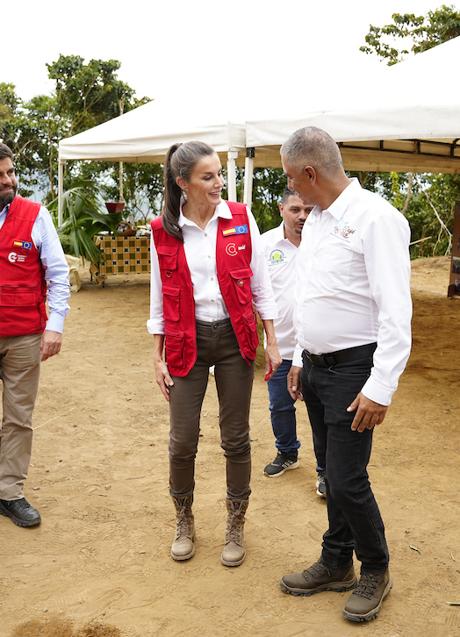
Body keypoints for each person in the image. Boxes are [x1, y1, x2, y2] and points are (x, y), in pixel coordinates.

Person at [279, 127, 412, 623]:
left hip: (355, 372)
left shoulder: (375, 219)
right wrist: (297, 358)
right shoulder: (317, 220)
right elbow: (310, 294)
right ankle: (336, 561)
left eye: (293, 179)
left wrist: (380, 387)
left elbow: (396, 311)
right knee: (329, 472)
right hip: (315, 369)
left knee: (346, 477)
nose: (292, 189)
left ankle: (375, 566)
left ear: (310, 173)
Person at [148, 141, 281, 567]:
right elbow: (158, 297)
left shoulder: (240, 219)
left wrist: (272, 339)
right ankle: (183, 518)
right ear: (182, 182)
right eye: (208, 177)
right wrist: (157, 354)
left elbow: (261, 284)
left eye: (220, 173)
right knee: (182, 439)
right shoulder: (164, 229)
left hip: (234, 340)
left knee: (235, 437)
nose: (219, 183)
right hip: (186, 341)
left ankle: (235, 522)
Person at [0, 143, 70, 528]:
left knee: (18, 418)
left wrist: (54, 326)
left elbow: (58, 275)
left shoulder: (35, 215)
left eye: (11, 172)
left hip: (24, 336)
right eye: (1, 175)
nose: (9, 181)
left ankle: (9, 492)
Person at [261, 189, 327, 497]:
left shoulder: (324, 244)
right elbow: (254, 294)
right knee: (280, 405)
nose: (302, 216)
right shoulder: (264, 246)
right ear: (281, 209)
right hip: (281, 348)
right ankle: (287, 453)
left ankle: (325, 471)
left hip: (316, 350)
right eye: (296, 209)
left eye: (309, 210)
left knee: (321, 412)